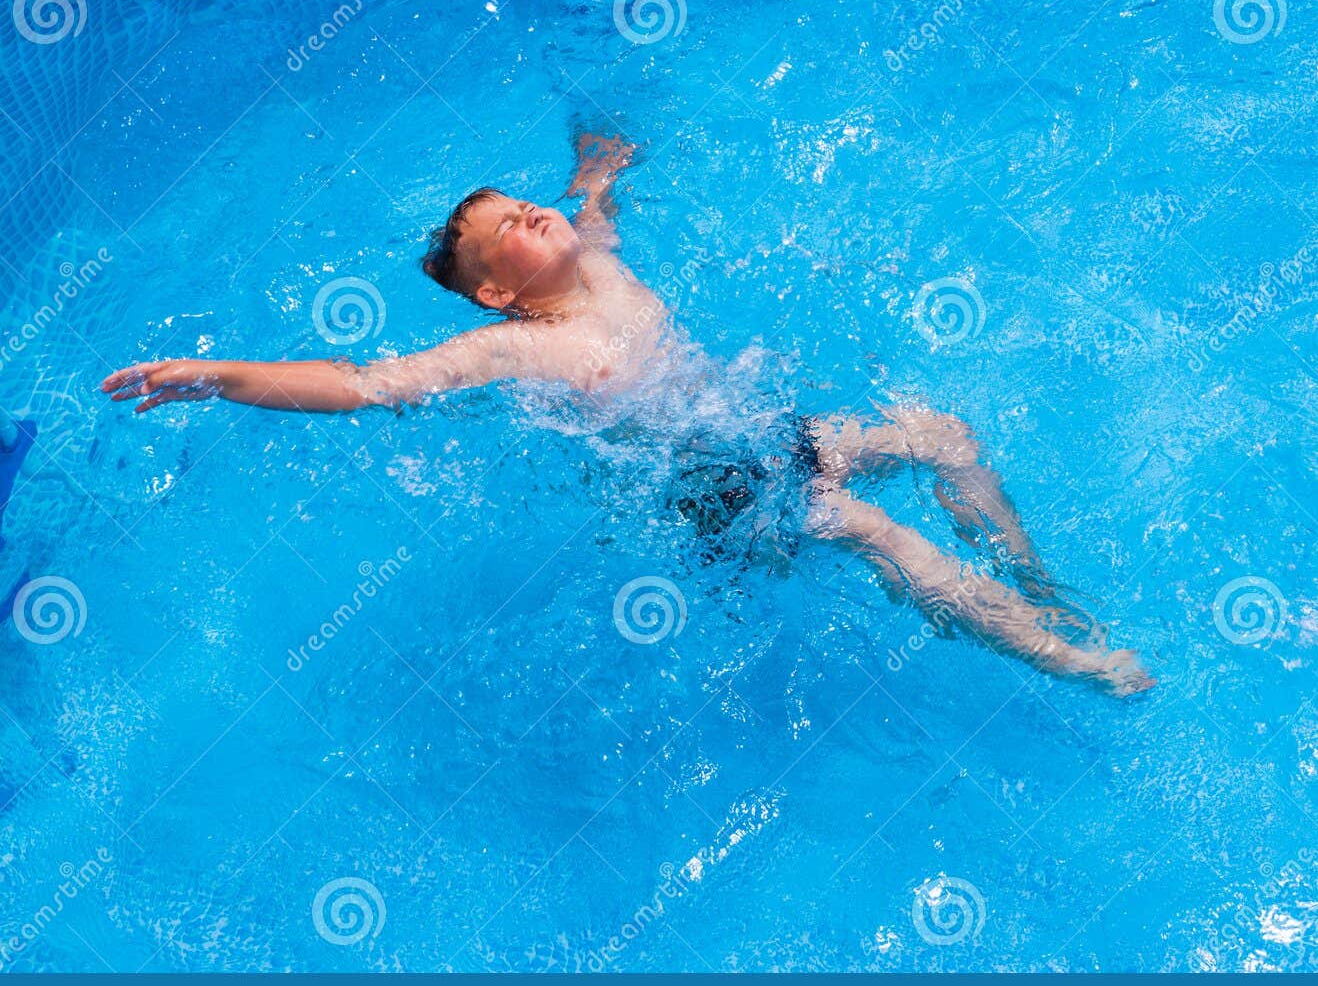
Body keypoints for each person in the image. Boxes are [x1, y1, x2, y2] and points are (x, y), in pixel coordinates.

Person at [101, 133, 1150, 694]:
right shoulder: (516, 342)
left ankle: (1031, 575)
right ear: (497, 290)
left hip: (771, 434)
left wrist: (595, 166)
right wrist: (221, 371)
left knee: (938, 432)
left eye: (521, 203)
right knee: (878, 530)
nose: (528, 214)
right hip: (721, 493)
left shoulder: (595, 258)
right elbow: (365, 384)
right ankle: (1064, 657)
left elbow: (592, 207)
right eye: (501, 230)